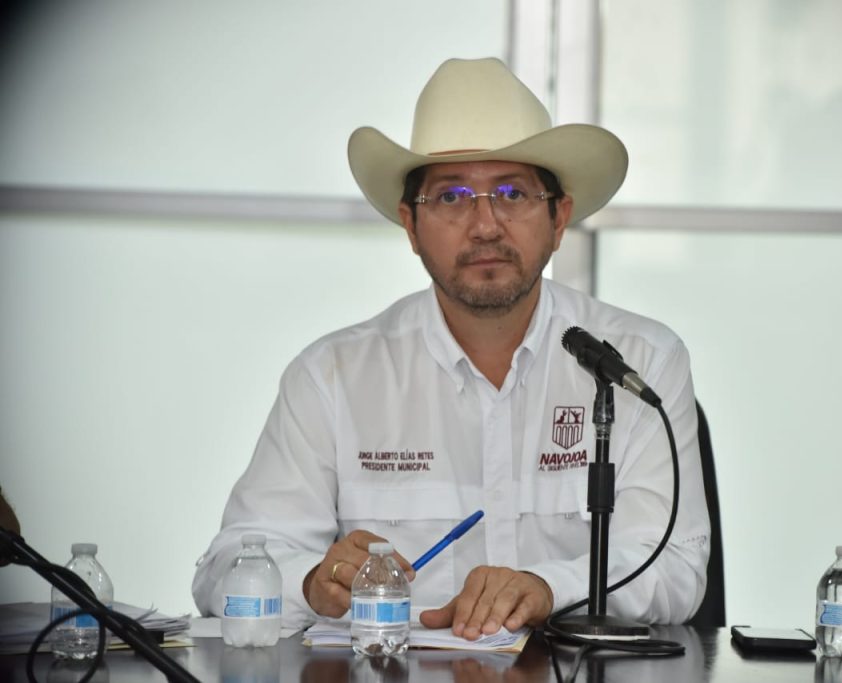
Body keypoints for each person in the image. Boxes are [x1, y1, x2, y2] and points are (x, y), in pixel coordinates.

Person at [192, 57, 710, 638]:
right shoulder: (333, 375)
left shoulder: (639, 361)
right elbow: (225, 568)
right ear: (410, 226)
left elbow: (675, 567)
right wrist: (312, 580)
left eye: (512, 193)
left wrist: (548, 587)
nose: (485, 225)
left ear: (559, 218)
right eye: (451, 197)